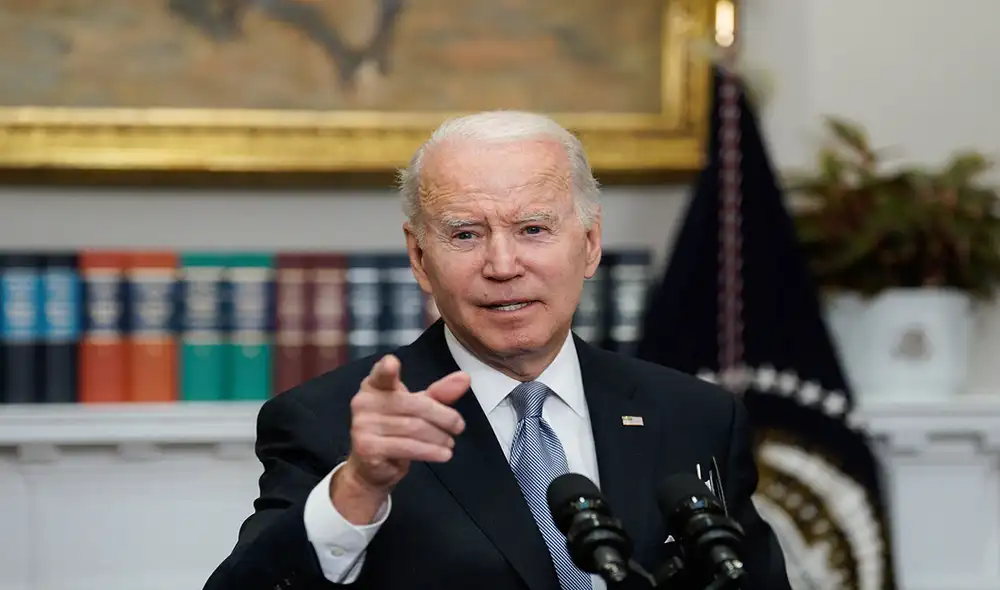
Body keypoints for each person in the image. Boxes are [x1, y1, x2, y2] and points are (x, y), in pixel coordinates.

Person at [202, 110, 792, 590]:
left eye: (533, 229)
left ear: (589, 245)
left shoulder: (695, 416)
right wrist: (357, 488)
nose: (503, 266)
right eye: (466, 234)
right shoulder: (336, 423)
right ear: (418, 257)